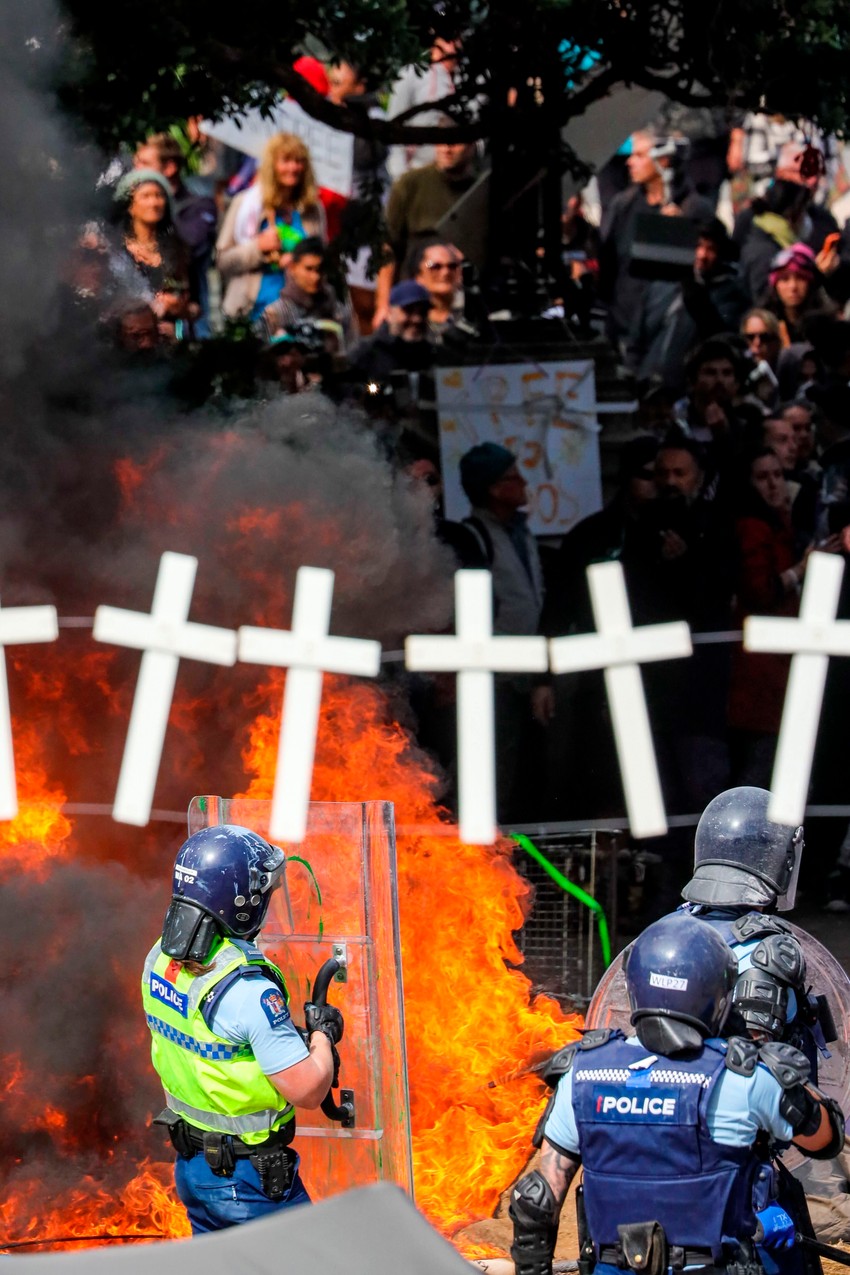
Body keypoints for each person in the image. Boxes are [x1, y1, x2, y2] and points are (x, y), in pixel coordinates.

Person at [510, 912, 844, 1275]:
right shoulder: (745, 1078)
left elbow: (536, 1200)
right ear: (719, 995)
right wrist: (781, 1071)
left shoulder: (581, 1073)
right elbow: (825, 1140)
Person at [142, 824, 343, 1234]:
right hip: (249, 1181)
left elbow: (216, 1042)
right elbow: (307, 1090)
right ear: (243, 904)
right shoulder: (248, 991)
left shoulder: (159, 961)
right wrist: (322, 1036)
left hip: (194, 1170)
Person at [216, 132, 326, 321]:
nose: (293, 167)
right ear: (272, 166)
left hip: (301, 310)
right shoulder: (246, 204)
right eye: (286, 160)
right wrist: (258, 248)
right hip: (253, 308)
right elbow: (223, 261)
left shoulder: (312, 209)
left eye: (298, 161)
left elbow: (323, 258)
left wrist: (297, 262)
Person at [134, 132, 218, 336]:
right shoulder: (129, 209)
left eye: (144, 163)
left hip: (191, 320)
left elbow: (192, 242)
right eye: (136, 162)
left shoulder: (199, 206)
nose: (136, 170)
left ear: (170, 168)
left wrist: (154, 215)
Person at [112, 168, 196, 340]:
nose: (154, 203)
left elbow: (197, 304)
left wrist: (181, 311)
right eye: (146, 196)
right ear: (130, 206)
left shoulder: (178, 249)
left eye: (159, 196)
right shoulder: (114, 251)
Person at [259, 237, 355, 355]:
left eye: (320, 269)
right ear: (293, 268)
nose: (316, 277)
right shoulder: (275, 315)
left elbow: (352, 353)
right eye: (308, 269)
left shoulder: (339, 311)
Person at [411, 238, 465, 341]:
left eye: (452, 266)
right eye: (435, 266)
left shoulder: (474, 317)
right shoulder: (407, 318)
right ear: (419, 276)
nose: (445, 272)